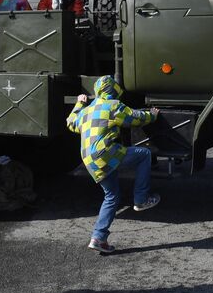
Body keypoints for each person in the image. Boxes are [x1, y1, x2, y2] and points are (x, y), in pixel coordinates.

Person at [66, 75, 160, 254]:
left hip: (89, 160)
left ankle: (98, 238)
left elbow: (70, 122)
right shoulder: (113, 106)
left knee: (112, 196)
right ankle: (141, 199)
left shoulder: (87, 111)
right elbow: (135, 118)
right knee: (144, 155)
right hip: (105, 153)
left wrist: (79, 103)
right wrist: (152, 115)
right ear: (113, 89)